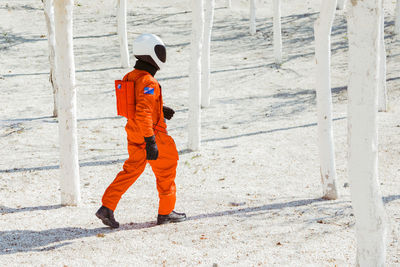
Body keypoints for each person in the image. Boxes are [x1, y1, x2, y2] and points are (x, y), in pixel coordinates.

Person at [96, 34, 186, 228]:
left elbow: (135, 105)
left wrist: (159, 109)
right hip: (152, 134)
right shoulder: (149, 82)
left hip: (134, 132)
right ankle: (166, 212)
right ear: (152, 53)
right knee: (167, 169)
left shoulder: (130, 76)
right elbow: (144, 111)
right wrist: (151, 140)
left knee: (130, 171)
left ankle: (107, 206)